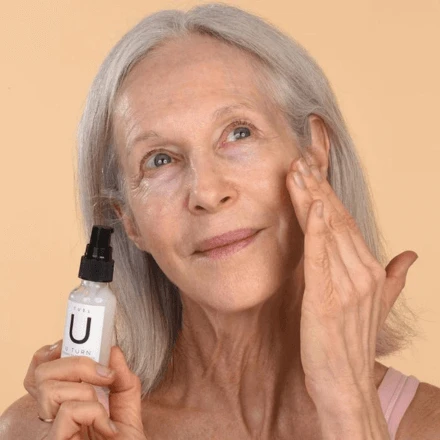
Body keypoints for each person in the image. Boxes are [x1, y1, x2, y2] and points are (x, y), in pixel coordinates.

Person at [1, 3, 439, 439]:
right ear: (128, 220)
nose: (208, 193)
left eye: (238, 133)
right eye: (159, 160)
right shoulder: (43, 431)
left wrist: (348, 401)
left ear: (314, 152)